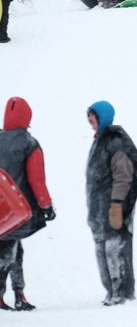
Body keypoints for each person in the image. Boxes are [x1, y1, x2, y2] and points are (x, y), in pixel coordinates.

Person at [86, 101, 137, 306]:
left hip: (114, 207)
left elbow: (123, 176)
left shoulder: (115, 142)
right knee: (102, 251)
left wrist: (117, 203)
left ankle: (122, 293)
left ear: (102, 117)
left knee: (115, 250)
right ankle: (111, 291)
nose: (91, 123)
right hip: (99, 211)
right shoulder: (100, 141)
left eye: (93, 119)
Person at [0, 97, 55, 311]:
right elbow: (36, 180)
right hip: (16, 210)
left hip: (1, 209)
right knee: (8, 252)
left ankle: (19, 294)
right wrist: (46, 206)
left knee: (14, 250)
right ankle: (10, 295)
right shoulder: (29, 144)